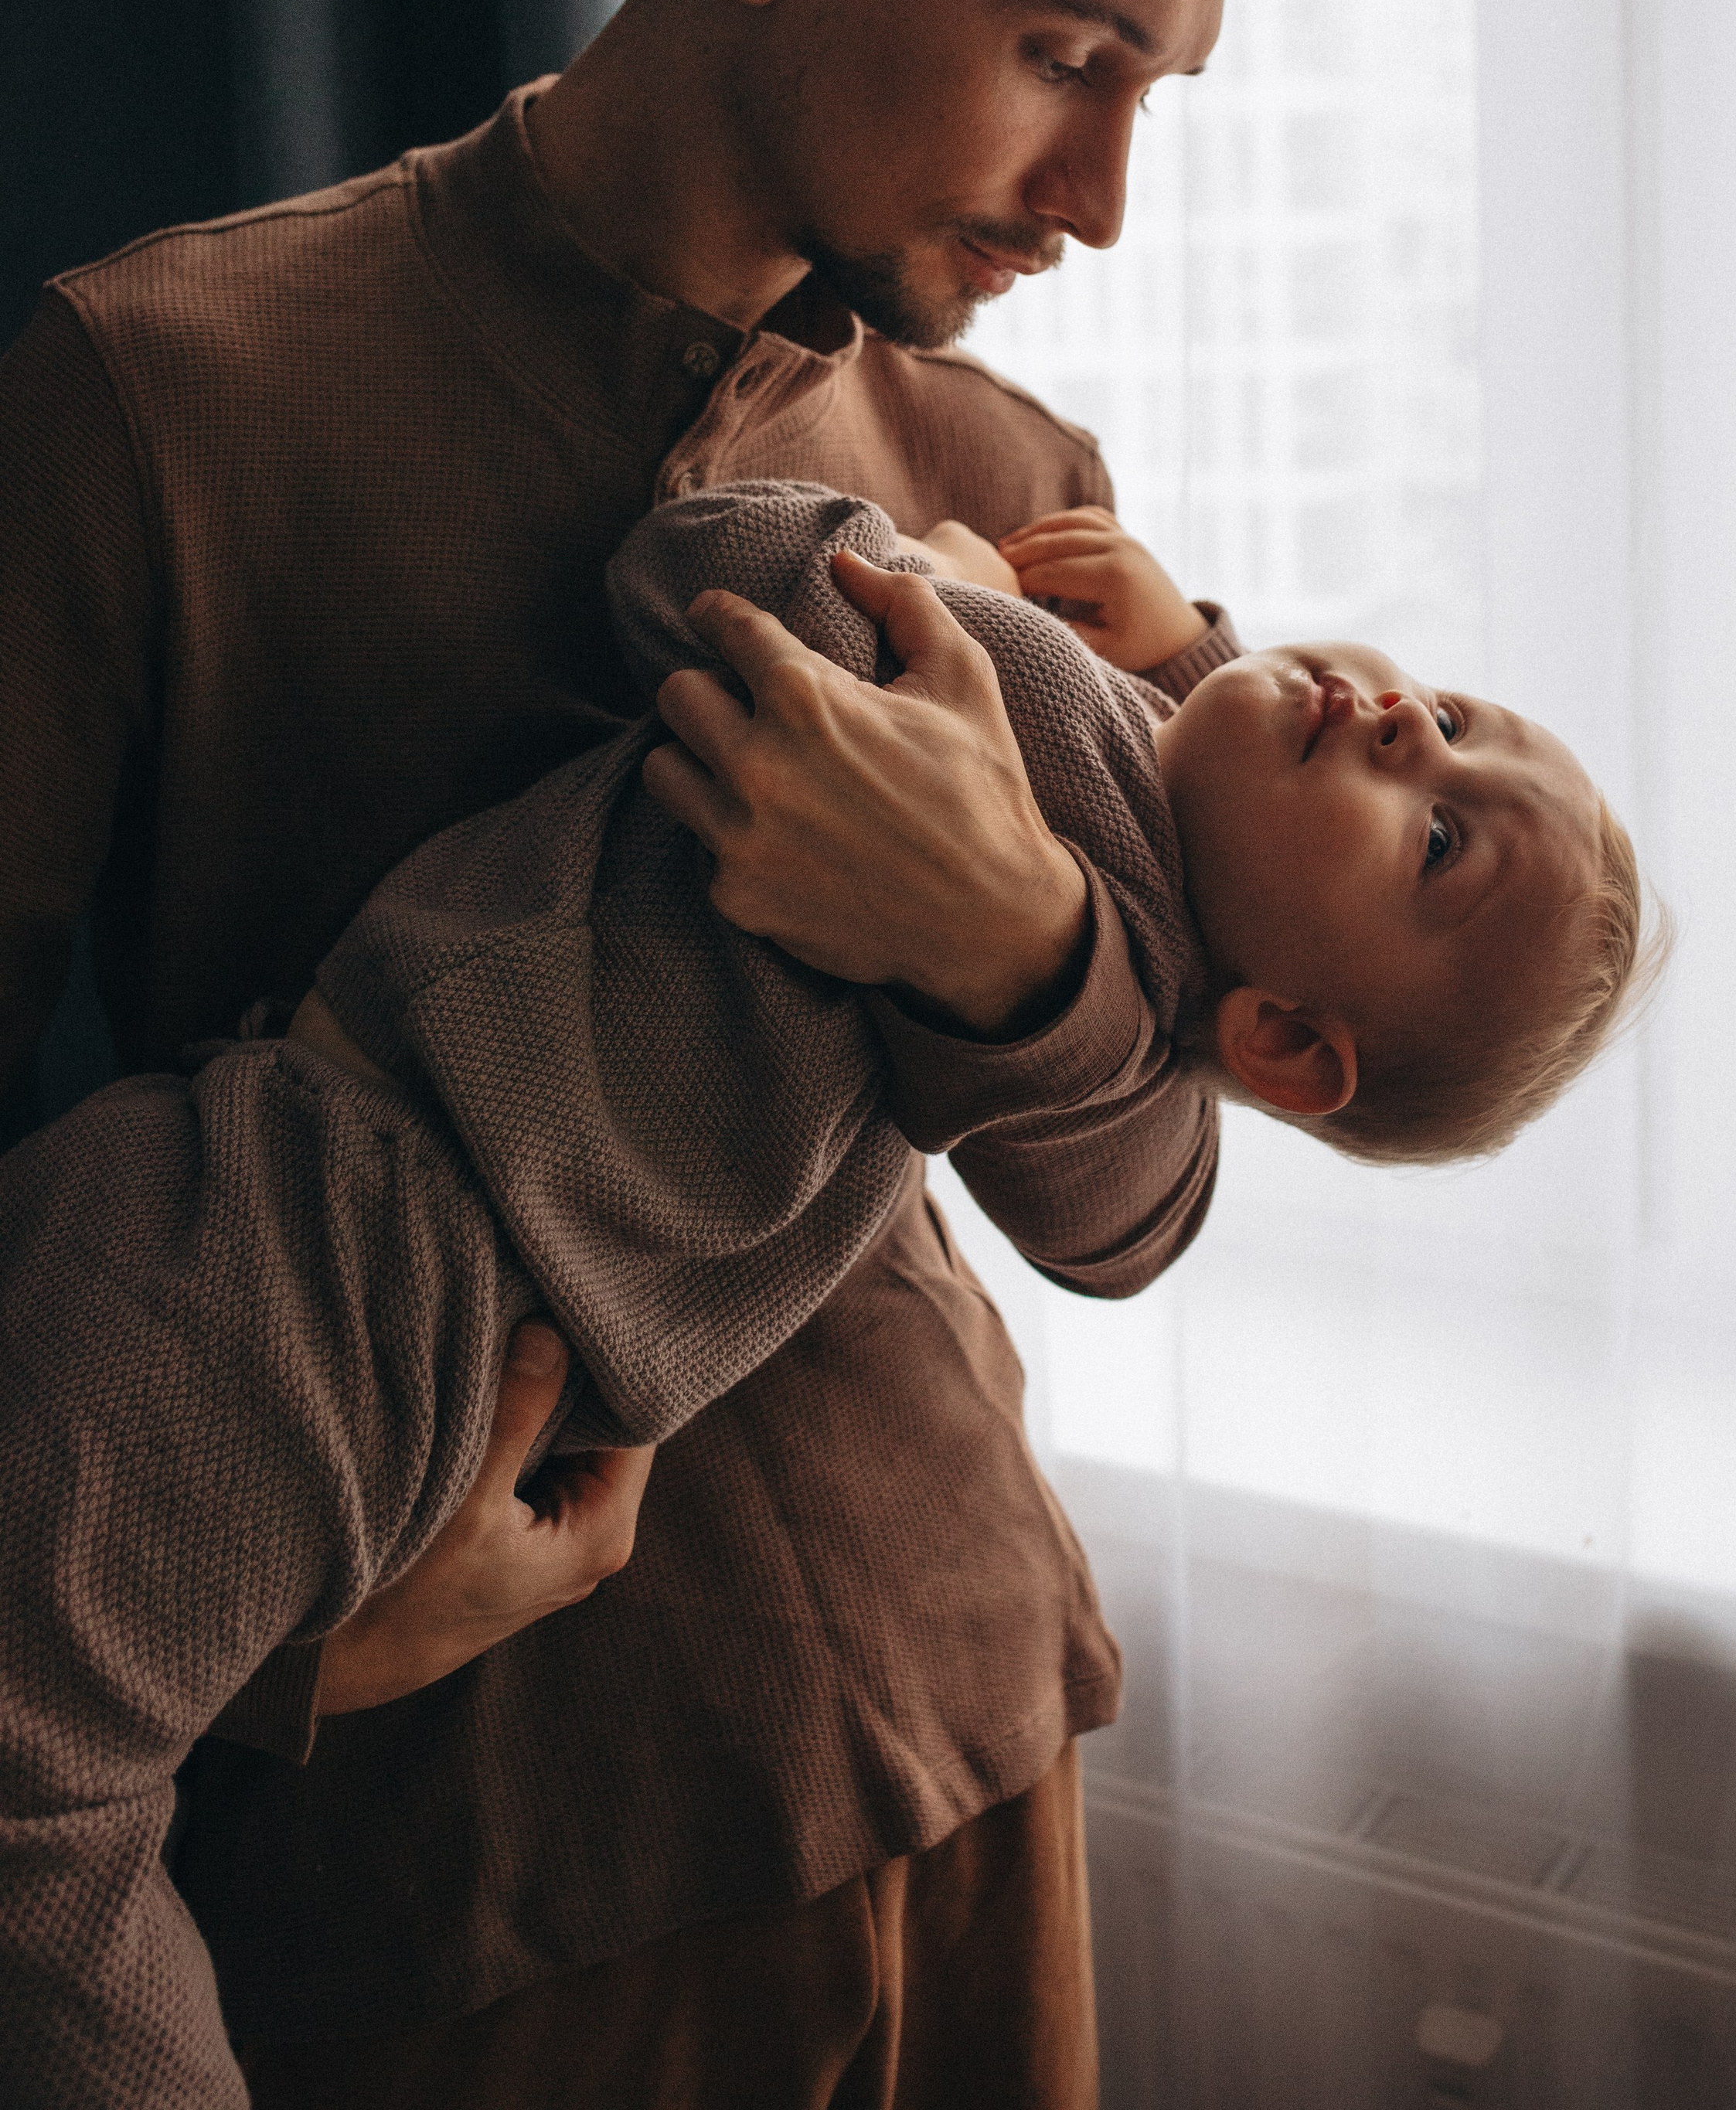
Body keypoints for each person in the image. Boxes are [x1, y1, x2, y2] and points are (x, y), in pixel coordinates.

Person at [0, 0, 1274, 2109]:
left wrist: (1015, 935)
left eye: (1158, 97)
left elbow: (1133, 1211)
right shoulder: (162, 394)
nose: (1105, 195)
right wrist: (268, 1653)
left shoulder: (1005, 488)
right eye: (1068, 54)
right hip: (469, 1883)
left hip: (969, 1729)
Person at [1, 478, 1647, 2108]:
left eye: (1437, 836)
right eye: (1446, 710)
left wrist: (912, 575)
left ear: (1284, 1041)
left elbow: (698, 560)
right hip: (361, 1259)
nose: (1397, 721)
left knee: (47, 1790)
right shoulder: (1127, 891)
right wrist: (1179, 674)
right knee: (48, 1776)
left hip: (361, 1270)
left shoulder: (1052, 771)